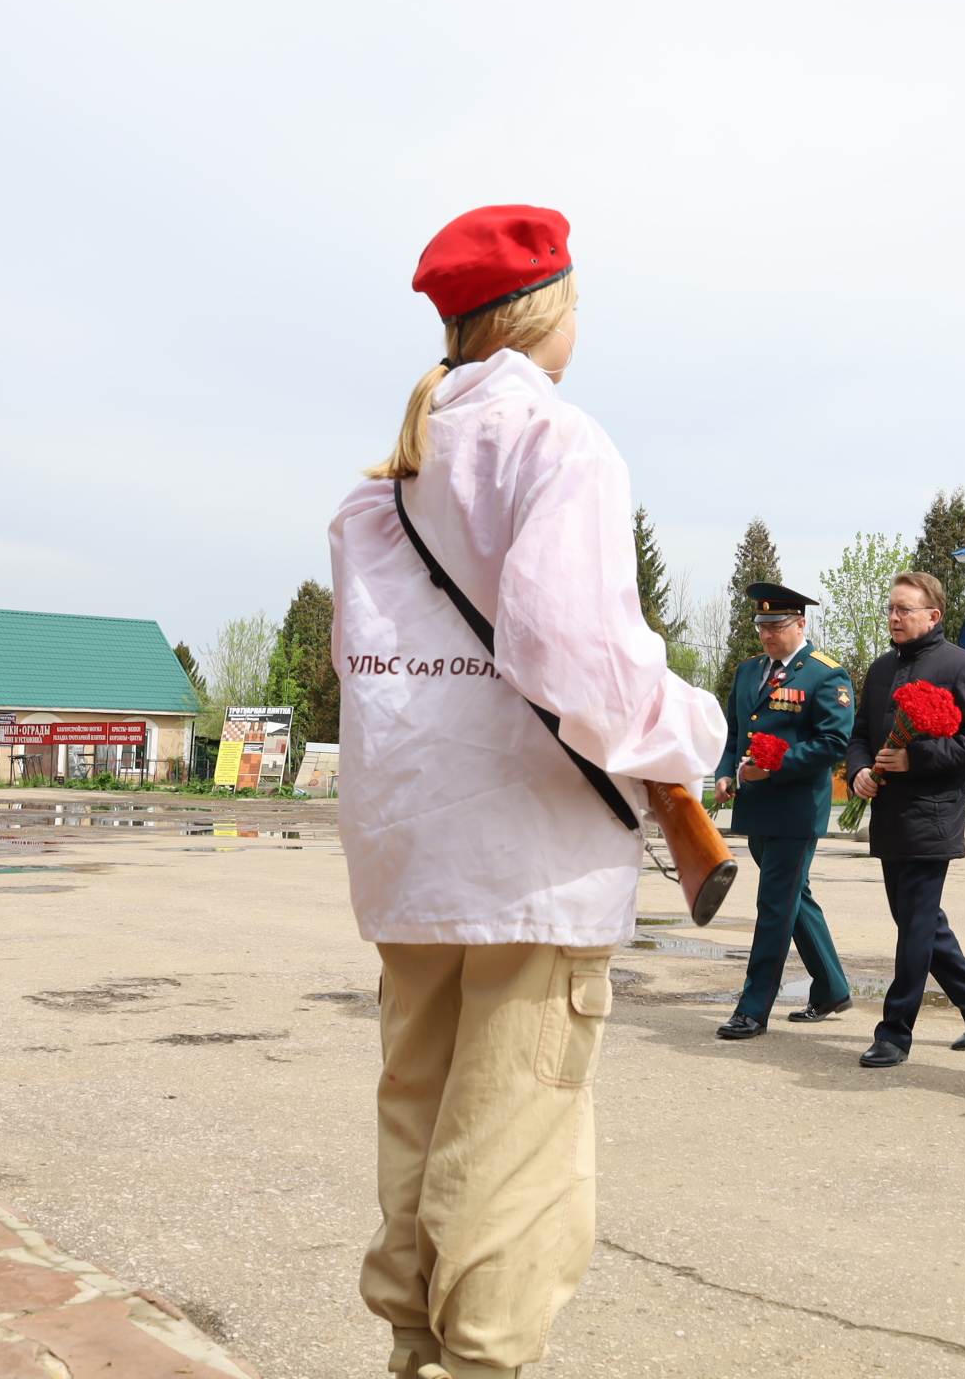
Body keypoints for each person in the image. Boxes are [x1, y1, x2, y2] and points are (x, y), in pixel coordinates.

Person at [331, 204, 724, 1379]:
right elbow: (573, 657)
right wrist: (687, 728)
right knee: (513, 1144)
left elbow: (382, 678)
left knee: (422, 1112)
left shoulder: (378, 485)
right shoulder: (558, 441)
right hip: (529, 855)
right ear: (550, 309)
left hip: (410, 846)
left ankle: (415, 1346)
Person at [842, 571, 965, 1067]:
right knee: (919, 922)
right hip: (889, 815)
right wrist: (859, 774)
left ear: (933, 615)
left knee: (913, 927)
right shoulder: (882, 667)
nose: (893, 617)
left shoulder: (961, 667)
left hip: (933, 816)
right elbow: (861, 735)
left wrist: (918, 758)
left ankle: (894, 1033)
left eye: (904, 609)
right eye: (890, 608)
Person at [712, 581, 856, 1041]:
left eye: (776, 626)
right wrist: (724, 772)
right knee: (795, 900)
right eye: (762, 626)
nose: (767, 635)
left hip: (795, 810)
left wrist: (771, 770)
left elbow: (833, 742)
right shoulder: (749, 670)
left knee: (774, 905)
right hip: (755, 808)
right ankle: (832, 988)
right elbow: (735, 732)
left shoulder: (824, 674)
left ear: (800, 624)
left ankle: (753, 1009)